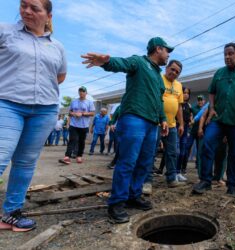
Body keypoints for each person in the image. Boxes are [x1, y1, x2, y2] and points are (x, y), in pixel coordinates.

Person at [81, 37, 172, 223]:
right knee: (128, 161)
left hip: (152, 124)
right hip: (134, 119)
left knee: (145, 163)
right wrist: (106, 62)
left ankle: (134, 195)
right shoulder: (139, 62)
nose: (168, 55)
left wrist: (162, 119)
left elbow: (159, 101)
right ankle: (116, 203)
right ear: (158, 49)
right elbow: (121, 63)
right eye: (167, 51)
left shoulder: (158, 76)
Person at [0, 0, 67, 232]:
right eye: (23, 5)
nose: (27, 11)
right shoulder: (5, 31)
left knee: (25, 162)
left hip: (44, 109)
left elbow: (60, 76)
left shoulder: (57, 46)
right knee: (0, 155)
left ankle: (11, 213)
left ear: (48, 15)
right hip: (7, 104)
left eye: (35, 8)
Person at [192, 43, 235, 195]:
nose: (227, 57)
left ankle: (232, 186)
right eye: (225, 54)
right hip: (218, 120)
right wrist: (212, 107)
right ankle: (205, 180)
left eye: (230, 54)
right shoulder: (219, 73)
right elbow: (212, 92)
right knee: (207, 144)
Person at [143, 60, 185, 193]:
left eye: (177, 72)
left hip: (172, 125)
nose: (174, 73)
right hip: (156, 123)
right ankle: (147, 181)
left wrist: (181, 124)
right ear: (166, 68)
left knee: (173, 152)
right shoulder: (158, 79)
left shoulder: (179, 85)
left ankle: (172, 178)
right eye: (172, 69)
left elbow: (179, 107)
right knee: (151, 152)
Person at [59, 86, 95, 164]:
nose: (81, 92)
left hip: (84, 126)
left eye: (83, 91)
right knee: (72, 140)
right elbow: (70, 112)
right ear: (78, 92)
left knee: (81, 141)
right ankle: (67, 156)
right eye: (80, 91)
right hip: (74, 125)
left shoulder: (89, 102)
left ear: (86, 93)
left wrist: (82, 114)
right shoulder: (74, 101)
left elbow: (92, 113)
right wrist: (74, 114)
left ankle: (79, 156)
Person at [176, 87, 193, 176]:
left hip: (185, 128)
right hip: (177, 127)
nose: (186, 94)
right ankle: (173, 172)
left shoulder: (188, 106)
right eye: (184, 92)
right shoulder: (178, 103)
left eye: (188, 93)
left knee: (183, 151)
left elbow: (190, 116)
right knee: (177, 151)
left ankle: (178, 172)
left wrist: (191, 121)